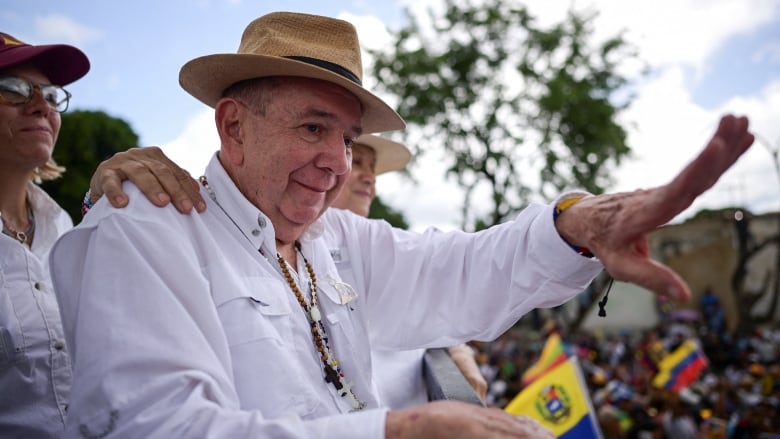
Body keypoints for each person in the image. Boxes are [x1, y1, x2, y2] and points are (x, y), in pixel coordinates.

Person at [48, 11, 754, 438]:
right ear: (234, 126)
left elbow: (465, 268)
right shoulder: (148, 226)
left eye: (348, 137)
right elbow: (150, 426)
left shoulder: (338, 239)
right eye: (313, 127)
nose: (338, 161)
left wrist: (579, 223)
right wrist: (399, 428)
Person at [0, 32, 203, 438]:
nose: (41, 104)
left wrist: (106, 204)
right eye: (14, 89)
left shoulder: (61, 229)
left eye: (52, 94)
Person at [329, 134, 488, 408]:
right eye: (357, 162)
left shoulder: (388, 250)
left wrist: (458, 350)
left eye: (373, 167)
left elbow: (437, 297)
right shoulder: (295, 252)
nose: (370, 177)